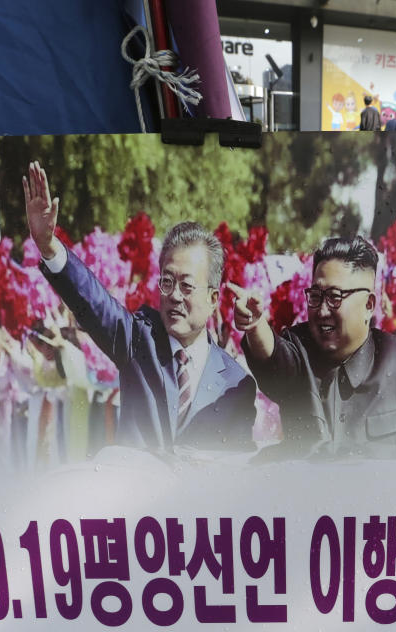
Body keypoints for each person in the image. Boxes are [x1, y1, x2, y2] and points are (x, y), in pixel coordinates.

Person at [22, 161, 258, 451]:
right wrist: (48, 246)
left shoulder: (237, 384)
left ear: (212, 299)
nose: (174, 295)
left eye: (187, 285)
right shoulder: (138, 342)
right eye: (167, 282)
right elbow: (93, 300)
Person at [230, 236, 396, 453]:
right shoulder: (298, 347)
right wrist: (256, 324)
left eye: (335, 297)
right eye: (316, 296)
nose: (322, 310)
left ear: (369, 304)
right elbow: (274, 357)